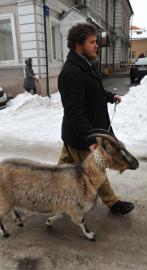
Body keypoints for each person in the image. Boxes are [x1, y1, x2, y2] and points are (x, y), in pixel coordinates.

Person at [57, 23, 135, 215]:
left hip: (78, 134)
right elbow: (75, 111)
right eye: (91, 42)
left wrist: (109, 97)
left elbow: (94, 90)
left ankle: (54, 195)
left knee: (63, 171)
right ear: (78, 45)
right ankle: (112, 202)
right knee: (96, 170)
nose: (96, 45)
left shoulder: (85, 65)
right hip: (83, 136)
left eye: (95, 42)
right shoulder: (71, 73)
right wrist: (91, 141)